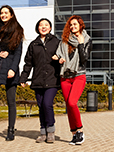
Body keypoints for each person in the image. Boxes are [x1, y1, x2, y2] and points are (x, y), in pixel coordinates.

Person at [0, 5, 24, 142]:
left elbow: (18, 52)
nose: (3, 15)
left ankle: (11, 129)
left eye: (6, 13)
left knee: (11, 101)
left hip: (10, 67)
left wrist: (13, 69)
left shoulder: (17, 30)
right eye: (2, 13)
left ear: (11, 15)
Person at [20, 18, 60, 143]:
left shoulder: (56, 42)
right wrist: (23, 78)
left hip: (52, 79)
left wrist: (58, 58)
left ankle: (51, 131)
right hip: (38, 80)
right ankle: (43, 132)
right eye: (41, 25)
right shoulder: (34, 44)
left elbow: (64, 56)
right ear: (38, 28)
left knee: (47, 104)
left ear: (50, 27)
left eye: (46, 25)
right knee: (41, 106)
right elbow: (28, 63)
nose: (43, 27)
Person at [53, 15, 92, 145]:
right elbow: (59, 55)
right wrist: (60, 60)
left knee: (72, 103)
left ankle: (80, 129)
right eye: (71, 25)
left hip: (79, 75)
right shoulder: (64, 41)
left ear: (81, 25)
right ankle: (74, 134)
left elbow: (84, 59)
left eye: (75, 24)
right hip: (65, 76)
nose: (72, 27)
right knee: (69, 107)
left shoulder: (86, 39)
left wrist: (80, 43)